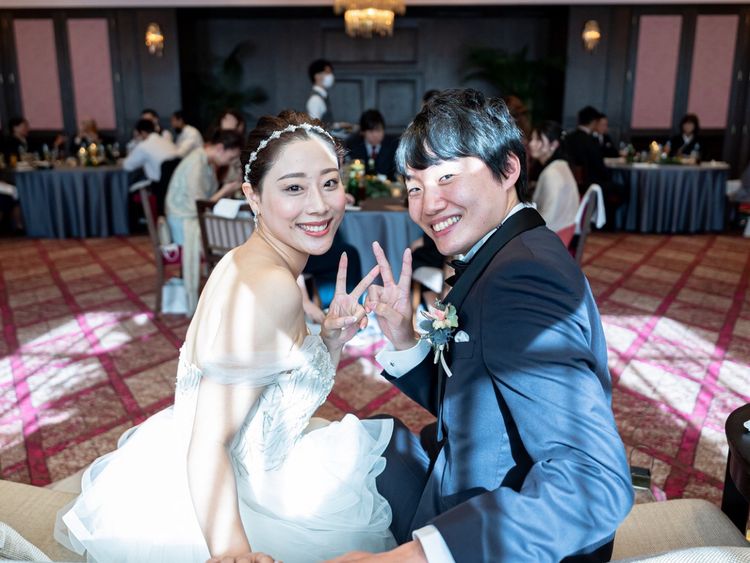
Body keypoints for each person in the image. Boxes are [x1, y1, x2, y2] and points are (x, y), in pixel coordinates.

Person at [55, 111, 396, 562]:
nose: (319, 204)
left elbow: (272, 387)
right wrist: (232, 551)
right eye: (294, 188)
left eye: (329, 183)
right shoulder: (272, 286)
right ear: (252, 196)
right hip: (235, 498)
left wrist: (330, 340)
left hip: (228, 465)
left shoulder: (244, 259)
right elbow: (209, 441)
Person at [340, 89, 633, 562]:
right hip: (461, 480)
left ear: (509, 168)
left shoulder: (523, 278)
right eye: (414, 187)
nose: (427, 205)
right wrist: (404, 338)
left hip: (485, 530)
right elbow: (485, 396)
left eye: (447, 176)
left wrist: (413, 558)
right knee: (365, 440)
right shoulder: (507, 252)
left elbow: (594, 483)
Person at [165, 130, 245, 315]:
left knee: (230, 231)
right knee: (230, 236)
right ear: (220, 148)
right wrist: (225, 191)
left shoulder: (206, 161)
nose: (230, 161)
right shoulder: (196, 163)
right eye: (231, 157)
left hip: (192, 215)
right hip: (183, 219)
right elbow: (199, 205)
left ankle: (227, 291)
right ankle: (225, 292)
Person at [528, 121, 580, 246]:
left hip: (551, 239)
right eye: (532, 139)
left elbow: (547, 218)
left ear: (554, 145)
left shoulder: (551, 173)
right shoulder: (561, 166)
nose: (531, 144)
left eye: (538, 140)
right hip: (563, 232)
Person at [345, 109, 398, 180]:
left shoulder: (393, 144)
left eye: (378, 130)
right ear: (362, 132)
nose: (375, 135)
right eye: (371, 131)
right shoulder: (353, 145)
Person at [122, 118, 179, 183]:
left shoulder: (144, 145)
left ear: (143, 133)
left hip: (158, 184)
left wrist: (137, 142)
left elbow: (127, 166)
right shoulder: (167, 141)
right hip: (174, 183)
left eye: (138, 134)